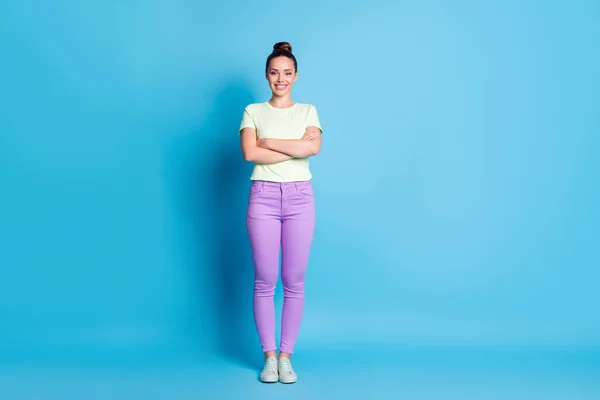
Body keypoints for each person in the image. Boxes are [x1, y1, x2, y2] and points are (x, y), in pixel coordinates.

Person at [238, 41, 322, 384]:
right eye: (275, 72)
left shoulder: (308, 111)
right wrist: (295, 148)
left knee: (294, 281)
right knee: (264, 280)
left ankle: (287, 357)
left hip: (301, 198)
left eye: (287, 73)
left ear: (296, 75)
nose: (281, 78)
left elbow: (314, 147)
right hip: (263, 198)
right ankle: (269, 358)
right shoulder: (253, 111)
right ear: (267, 75)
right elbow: (248, 154)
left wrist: (268, 142)